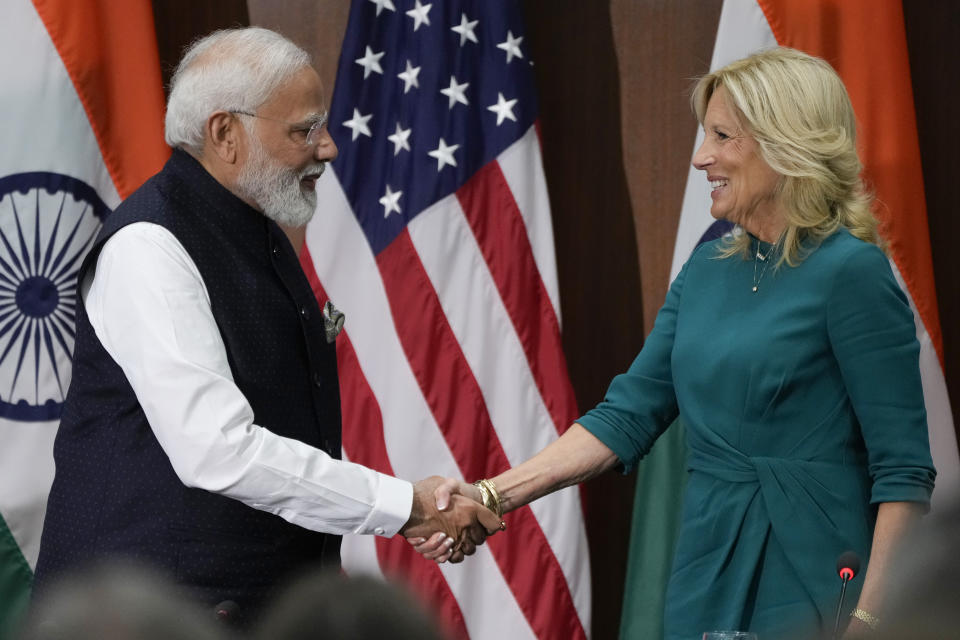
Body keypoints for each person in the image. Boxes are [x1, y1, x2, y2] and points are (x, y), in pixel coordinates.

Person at [414, 47, 936, 639]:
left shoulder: (853, 273)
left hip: (814, 574)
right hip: (707, 561)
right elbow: (627, 415)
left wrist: (870, 621)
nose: (700, 157)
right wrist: (490, 493)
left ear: (787, 144)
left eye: (722, 136)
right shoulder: (707, 268)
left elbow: (905, 475)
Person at [32, 27, 499, 627]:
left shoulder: (254, 227)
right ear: (225, 134)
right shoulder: (150, 246)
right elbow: (218, 451)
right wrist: (403, 505)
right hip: (137, 619)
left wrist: (406, 506)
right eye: (305, 130)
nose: (328, 148)